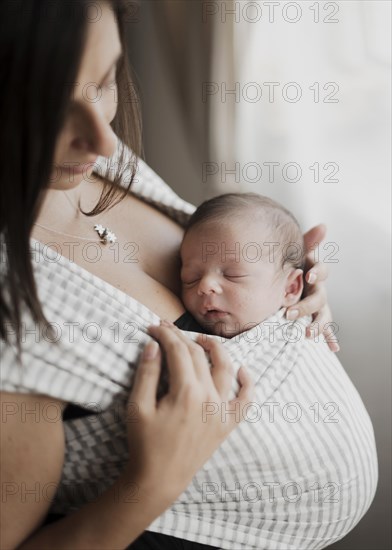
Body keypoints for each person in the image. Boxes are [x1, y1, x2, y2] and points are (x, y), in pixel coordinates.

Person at [0, 1, 375, 549]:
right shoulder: (13, 322)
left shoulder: (78, 158)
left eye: (103, 82)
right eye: (44, 111)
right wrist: (156, 478)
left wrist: (281, 289)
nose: (105, 142)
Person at [177, 192, 307, 338]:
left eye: (233, 274)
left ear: (290, 288)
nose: (204, 286)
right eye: (191, 278)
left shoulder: (296, 337)